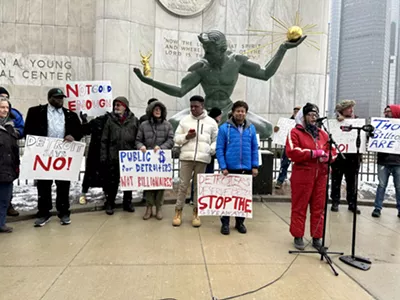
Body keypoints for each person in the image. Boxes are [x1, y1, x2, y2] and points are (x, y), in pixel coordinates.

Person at [134, 30, 306, 139]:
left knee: (267, 129)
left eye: (209, 50)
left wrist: (282, 49)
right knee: (172, 124)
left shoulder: (236, 62)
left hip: (229, 111)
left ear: (221, 49)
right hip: (205, 112)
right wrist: (149, 81)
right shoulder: (202, 67)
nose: (205, 53)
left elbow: (265, 74)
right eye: (205, 49)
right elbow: (180, 91)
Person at [24, 88, 82, 227]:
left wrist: (73, 136)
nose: (60, 100)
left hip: (63, 154)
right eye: (56, 98)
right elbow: (28, 131)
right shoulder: (36, 112)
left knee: (63, 185)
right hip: (44, 154)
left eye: (62, 98)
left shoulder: (70, 115)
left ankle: (64, 212)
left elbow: (79, 131)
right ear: (49, 98)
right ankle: (44, 212)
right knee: (44, 185)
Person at [285, 103, 337, 250]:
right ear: (304, 117)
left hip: (321, 176)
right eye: (311, 115)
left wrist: (328, 157)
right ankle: (298, 235)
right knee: (299, 206)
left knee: (319, 208)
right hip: (302, 175)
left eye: (316, 115)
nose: (314, 118)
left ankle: (317, 237)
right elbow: (292, 151)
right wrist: (312, 154)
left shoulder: (323, 134)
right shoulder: (295, 132)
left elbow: (333, 150)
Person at [172, 95, 218, 227]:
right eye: (191, 106)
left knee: (199, 187)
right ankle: (178, 211)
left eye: (196, 106)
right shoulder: (185, 120)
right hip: (186, 157)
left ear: (202, 106)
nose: (193, 108)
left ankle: (196, 212)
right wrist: (187, 136)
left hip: (202, 159)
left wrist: (211, 149)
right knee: (183, 185)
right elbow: (176, 138)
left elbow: (217, 139)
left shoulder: (211, 122)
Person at [216, 101, 259, 235]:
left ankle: (240, 222)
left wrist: (254, 166)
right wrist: (223, 166)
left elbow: (254, 148)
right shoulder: (224, 128)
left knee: (242, 197)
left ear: (246, 113)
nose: (240, 113)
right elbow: (219, 149)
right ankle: (225, 223)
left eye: (243, 111)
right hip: (229, 169)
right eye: (238, 111)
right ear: (233, 112)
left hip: (245, 168)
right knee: (227, 197)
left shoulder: (251, 128)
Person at [136, 101, 174, 220]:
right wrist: (141, 146)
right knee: (148, 184)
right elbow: (138, 140)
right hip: (148, 160)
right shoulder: (143, 125)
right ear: (151, 111)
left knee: (160, 184)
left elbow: (171, 140)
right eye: (155, 109)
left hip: (161, 160)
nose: (158, 111)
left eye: (160, 109)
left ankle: (158, 207)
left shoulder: (167, 125)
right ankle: (148, 207)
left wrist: (161, 147)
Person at [100, 96, 139, 215]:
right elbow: (104, 139)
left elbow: (138, 137)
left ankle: (127, 203)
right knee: (112, 182)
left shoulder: (133, 120)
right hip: (113, 156)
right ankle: (110, 203)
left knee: (128, 181)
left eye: (119, 105)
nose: (116, 107)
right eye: (115, 105)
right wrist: (103, 155)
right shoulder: (110, 120)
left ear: (125, 106)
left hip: (129, 156)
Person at [330, 100, 361, 214]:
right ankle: (335, 201)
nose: (351, 110)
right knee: (336, 180)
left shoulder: (357, 121)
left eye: (352, 108)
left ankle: (352, 203)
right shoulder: (335, 122)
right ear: (342, 110)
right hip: (338, 158)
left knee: (352, 182)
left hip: (353, 158)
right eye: (348, 108)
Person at [371, 105, 400, 219]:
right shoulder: (380, 126)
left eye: (388, 111)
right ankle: (377, 208)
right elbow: (373, 138)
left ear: (395, 112)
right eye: (385, 111)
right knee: (381, 186)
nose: (386, 113)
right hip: (383, 161)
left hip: (398, 162)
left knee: (399, 187)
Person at [0, 87, 24, 217]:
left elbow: (21, 128)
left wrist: (15, 133)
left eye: (6, 97)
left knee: (7, 186)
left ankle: (8, 207)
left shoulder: (14, 114)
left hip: (9, 154)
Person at [78, 111, 111, 205]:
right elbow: (85, 130)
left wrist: (84, 122)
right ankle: (84, 193)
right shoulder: (97, 121)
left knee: (104, 174)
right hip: (96, 152)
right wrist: (84, 121)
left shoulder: (108, 121)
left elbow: (85, 130)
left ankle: (106, 193)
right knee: (91, 173)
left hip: (103, 152)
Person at [0, 97, 20, 233]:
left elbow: (14, 149)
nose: (5, 110)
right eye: (2, 107)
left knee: (4, 200)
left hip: (7, 170)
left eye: (7, 108)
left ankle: (1, 224)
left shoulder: (10, 126)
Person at [274, 106, 301, 189]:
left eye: (298, 111)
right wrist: (277, 130)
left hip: (299, 146)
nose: (296, 112)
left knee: (299, 164)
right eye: (295, 111)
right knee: (284, 163)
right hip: (289, 145)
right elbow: (280, 130)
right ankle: (280, 180)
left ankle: (297, 181)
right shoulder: (288, 122)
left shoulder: (303, 123)